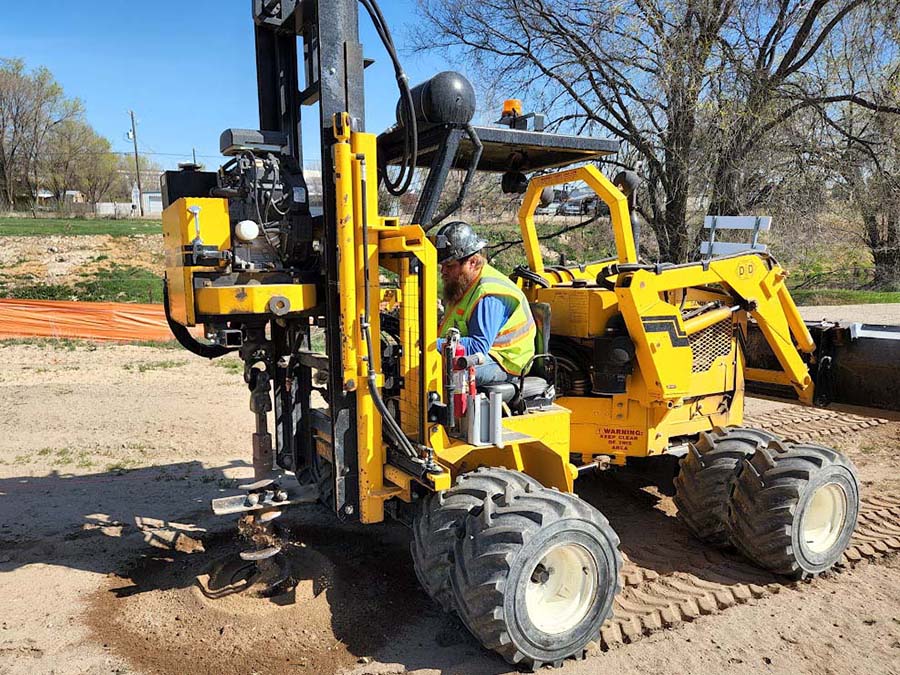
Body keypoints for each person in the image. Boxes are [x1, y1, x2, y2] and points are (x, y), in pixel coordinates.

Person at [433, 221, 536, 386]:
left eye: (450, 266)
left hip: (505, 362)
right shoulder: (462, 286)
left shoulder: (489, 293)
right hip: (488, 355)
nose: (443, 271)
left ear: (472, 262)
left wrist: (430, 344)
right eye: (442, 265)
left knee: (443, 371)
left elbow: (478, 346)